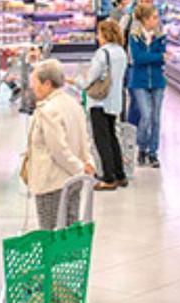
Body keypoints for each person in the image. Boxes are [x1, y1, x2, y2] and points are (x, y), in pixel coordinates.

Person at [26, 59, 96, 231]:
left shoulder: (48, 110)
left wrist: (79, 168)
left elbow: (58, 150)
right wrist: (86, 165)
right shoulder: (74, 104)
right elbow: (84, 140)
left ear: (47, 83)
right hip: (73, 182)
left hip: (53, 183)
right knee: (69, 234)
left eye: (34, 83)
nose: (32, 88)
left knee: (51, 235)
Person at [75, 20, 128, 192]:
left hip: (99, 101)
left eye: (99, 33)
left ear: (105, 34)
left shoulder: (102, 53)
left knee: (102, 139)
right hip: (114, 100)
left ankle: (108, 177)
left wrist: (75, 81)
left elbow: (90, 79)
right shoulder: (121, 52)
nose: (98, 37)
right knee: (112, 136)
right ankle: (120, 174)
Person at [127, 5, 166, 169]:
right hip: (139, 81)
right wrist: (158, 57)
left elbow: (158, 57)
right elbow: (138, 58)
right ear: (145, 20)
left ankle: (153, 152)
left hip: (157, 81)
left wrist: (153, 57)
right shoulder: (134, 37)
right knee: (146, 116)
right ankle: (142, 147)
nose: (157, 21)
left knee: (156, 118)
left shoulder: (161, 36)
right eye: (154, 17)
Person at [124, 0, 156, 126]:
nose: (144, 4)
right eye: (141, 1)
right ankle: (132, 132)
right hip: (134, 66)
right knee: (136, 101)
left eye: (147, 1)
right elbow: (119, 39)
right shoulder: (129, 19)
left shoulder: (156, 22)